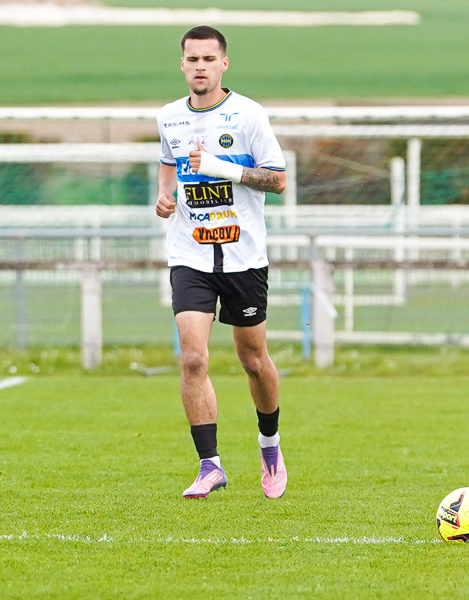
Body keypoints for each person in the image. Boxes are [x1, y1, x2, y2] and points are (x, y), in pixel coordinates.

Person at [155, 25, 288, 499]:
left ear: (223, 64)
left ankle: (269, 445)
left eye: (209, 59)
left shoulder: (249, 114)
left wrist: (222, 168)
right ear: (182, 64)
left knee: (253, 359)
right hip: (189, 254)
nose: (200, 67)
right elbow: (169, 163)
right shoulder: (169, 118)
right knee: (193, 358)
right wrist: (165, 195)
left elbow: (278, 180)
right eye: (192, 59)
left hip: (242, 256)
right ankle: (209, 465)